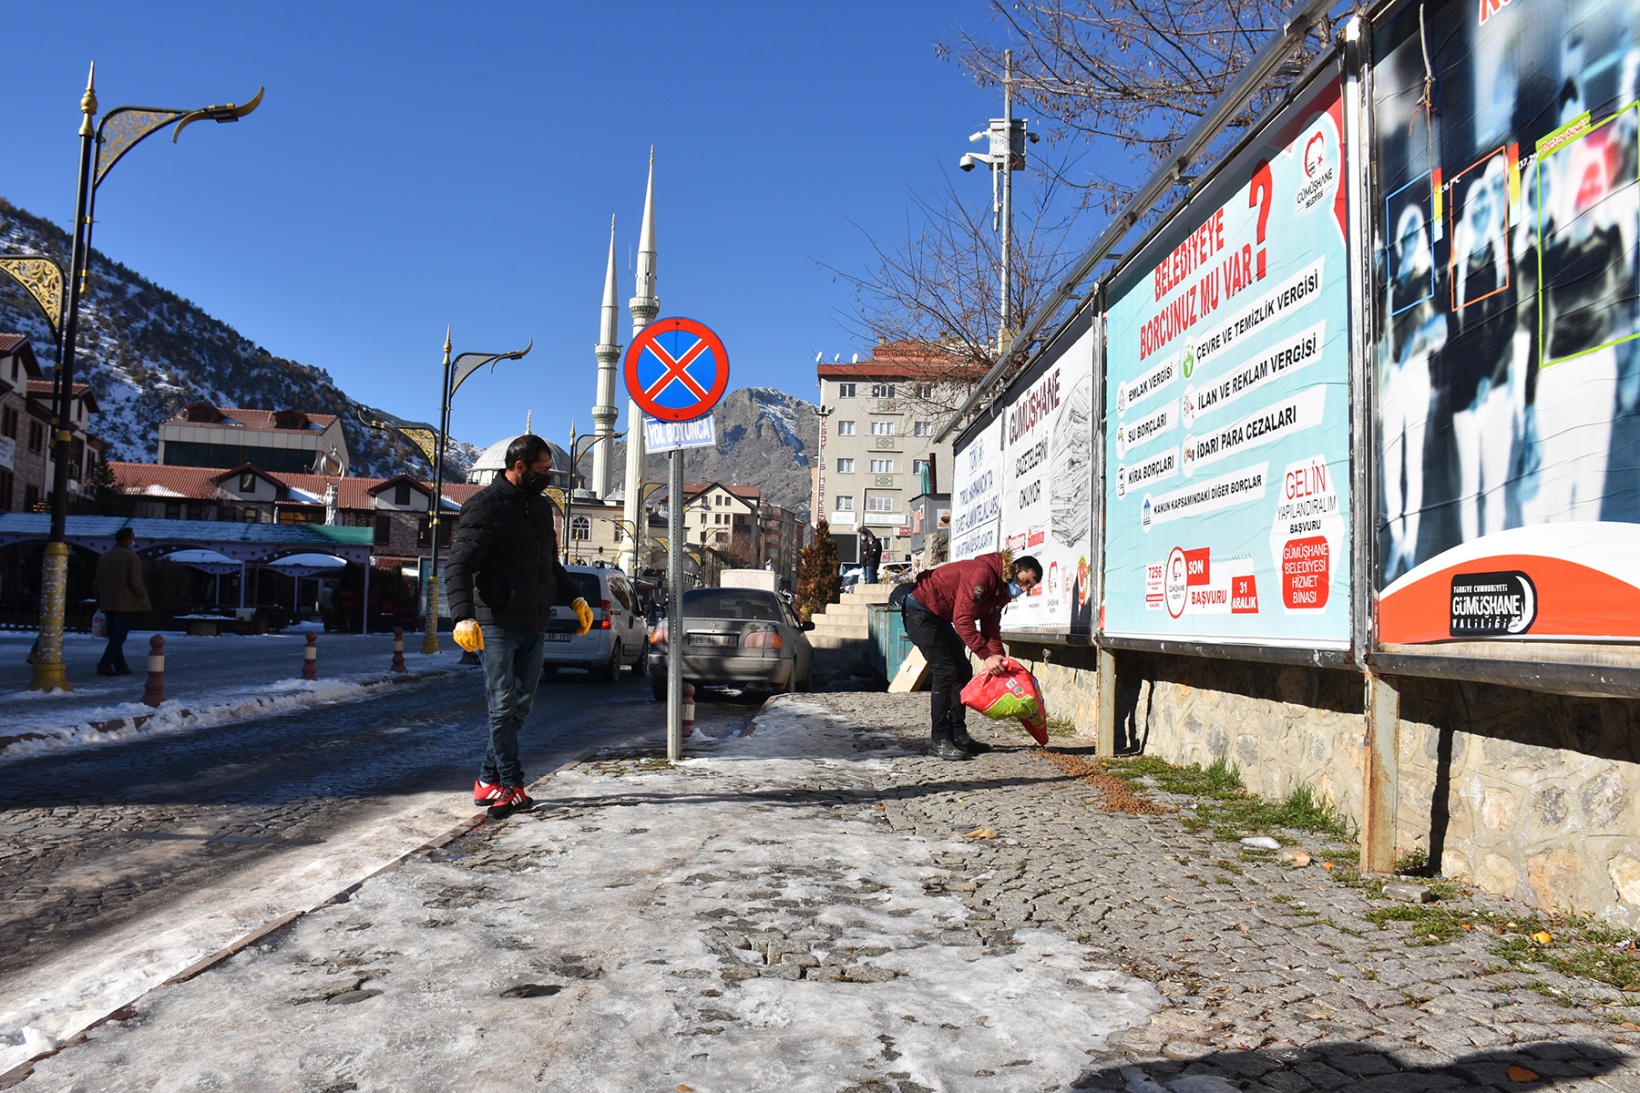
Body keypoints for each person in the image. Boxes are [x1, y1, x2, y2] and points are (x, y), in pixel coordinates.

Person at [445, 435, 592, 817]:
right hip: (495, 623)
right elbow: (459, 565)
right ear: (520, 467)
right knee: (503, 704)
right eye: (543, 470)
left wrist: (575, 596)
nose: (548, 477)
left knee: (520, 708)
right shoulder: (484, 507)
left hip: (534, 621)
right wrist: (462, 615)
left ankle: (485, 781)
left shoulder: (541, 509)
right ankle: (511, 785)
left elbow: (550, 565)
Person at [898, 550, 1041, 761]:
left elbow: (990, 630)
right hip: (920, 610)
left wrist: (1000, 659)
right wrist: (985, 655)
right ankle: (939, 739)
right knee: (945, 671)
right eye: (1025, 581)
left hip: (938, 616)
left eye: (1030, 586)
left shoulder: (1000, 591)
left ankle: (959, 734)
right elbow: (963, 619)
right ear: (1015, 569)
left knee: (963, 671)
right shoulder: (982, 574)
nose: (1025, 588)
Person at [95, 527, 151, 676]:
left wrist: (99, 599)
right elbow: (135, 581)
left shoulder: (104, 557)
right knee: (119, 636)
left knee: (114, 635)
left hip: (108, 601)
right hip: (124, 602)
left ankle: (120, 664)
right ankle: (105, 664)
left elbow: (97, 581)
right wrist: (142, 598)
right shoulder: (130, 557)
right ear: (128, 539)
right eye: (132, 537)